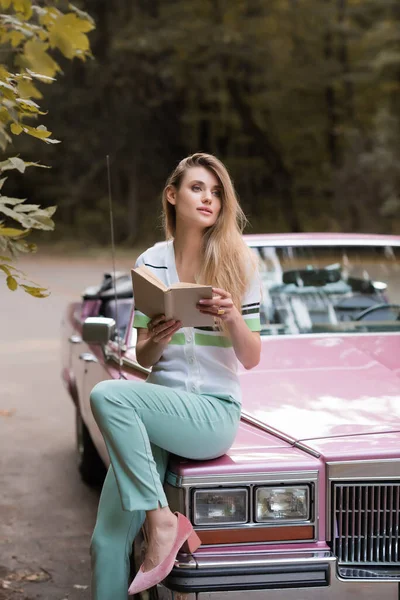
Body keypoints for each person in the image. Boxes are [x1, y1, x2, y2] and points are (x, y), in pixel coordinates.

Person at [89, 152, 262, 599]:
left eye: (217, 192)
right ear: (172, 195)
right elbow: (144, 355)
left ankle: (161, 519)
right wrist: (159, 336)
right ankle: (160, 519)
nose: (209, 198)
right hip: (154, 416)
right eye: (197, 188)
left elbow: (252, 357)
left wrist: (232, 320)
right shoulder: (152, 261)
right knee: (105, 542)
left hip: (211, 415)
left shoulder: (238, 261)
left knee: (109, 396)